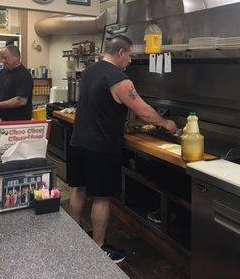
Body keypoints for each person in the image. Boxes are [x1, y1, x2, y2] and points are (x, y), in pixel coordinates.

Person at [69, 35, 177, 263]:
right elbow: (145, 112)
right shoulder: (120, 79)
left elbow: (99, 105)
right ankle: (99, 247)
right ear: (120, 53)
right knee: (102, 198)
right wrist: (167, 124)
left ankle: (72, 237)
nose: (130, 60)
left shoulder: (90, 70)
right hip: (101, 146)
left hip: (78, 140)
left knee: (79, 190)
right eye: (129, 55)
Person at [0, 45, 33, 121]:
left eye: (5, 58)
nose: (3, 61)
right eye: (2, 58)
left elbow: (21, 100)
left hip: (17, 122)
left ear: (16, 57)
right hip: (2, 118)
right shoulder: (2, 72)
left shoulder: (24, 75)